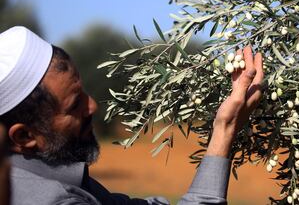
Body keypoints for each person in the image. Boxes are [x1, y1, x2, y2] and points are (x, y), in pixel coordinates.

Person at [0, 26, 264, 205]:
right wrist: (225, 128)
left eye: (83, 93)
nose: (92, 107)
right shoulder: (52, 200)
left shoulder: (55, 177)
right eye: (74, 105)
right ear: (24, 136)